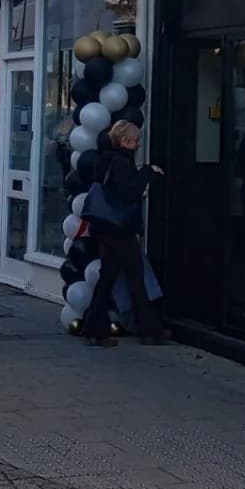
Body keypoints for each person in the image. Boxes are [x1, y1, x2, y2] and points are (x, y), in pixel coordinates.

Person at [81, 120, 168, 347]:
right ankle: (148, 329)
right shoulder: (121, 163)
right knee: (134, 277)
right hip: (119, 229)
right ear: (124, 141)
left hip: (106, 229)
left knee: (109, 278)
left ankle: (95, 328)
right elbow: (128, 192)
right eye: (135, 140)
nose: (138, 145)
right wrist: (148, 172)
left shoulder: (106, 160)